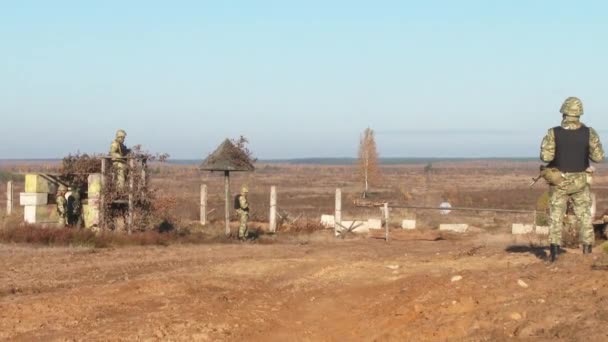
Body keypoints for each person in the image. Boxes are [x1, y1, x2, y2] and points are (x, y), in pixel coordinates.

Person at [540, 96, 604, 262]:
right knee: (584, 216)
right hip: (581, 181)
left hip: (559, 180)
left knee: (556, 217)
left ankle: (554, 255)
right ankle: (587, 253)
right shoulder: (589, 132)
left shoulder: (553, 132)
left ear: (563, 112)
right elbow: (598, 157)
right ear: (579, 113)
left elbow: (545, 156)